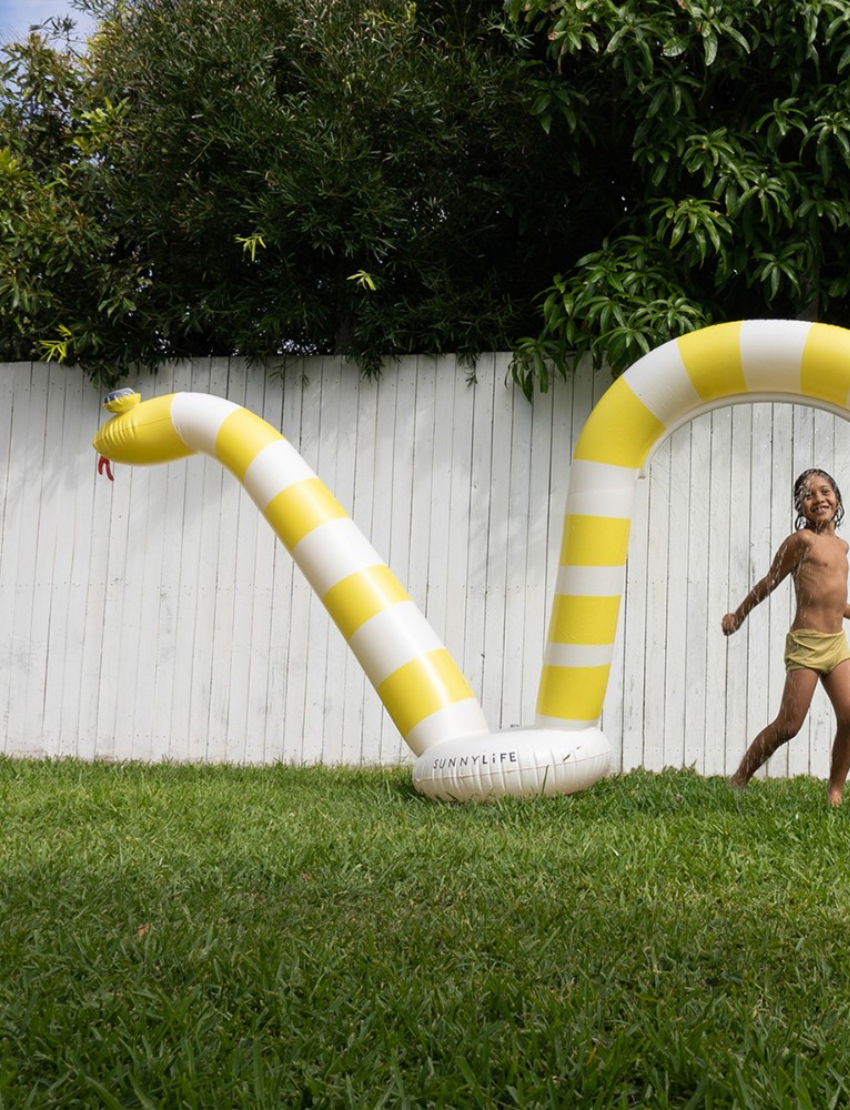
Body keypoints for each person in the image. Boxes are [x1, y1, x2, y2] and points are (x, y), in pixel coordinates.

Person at [722, 468, 850, 805]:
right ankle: (739, 778)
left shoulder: (841, 546)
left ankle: (835, 790)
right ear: (800, 507)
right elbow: (769, 581)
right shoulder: (800, 541)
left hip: (837, 645)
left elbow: (834, 600)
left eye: (825, 491)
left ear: (837, 497)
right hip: (807, 645)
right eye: (809, 495)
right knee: (789, 725)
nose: (819, 498)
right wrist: (738, 615)